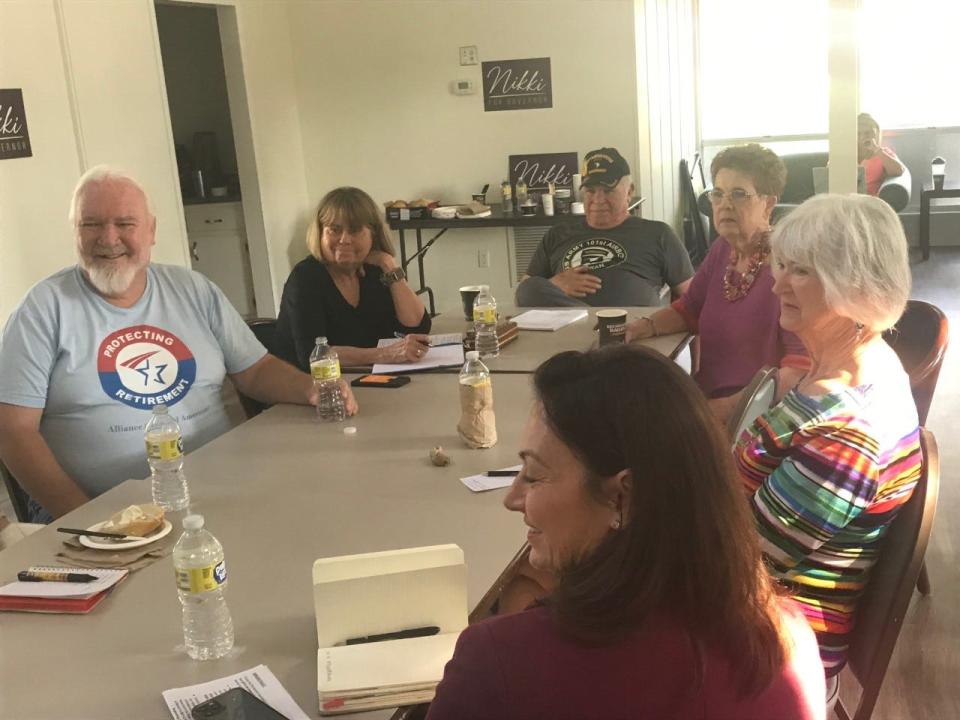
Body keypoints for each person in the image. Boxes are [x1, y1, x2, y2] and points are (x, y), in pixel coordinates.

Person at [428, 345, 826, 720]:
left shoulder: (497, 663)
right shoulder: (790, 639)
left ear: (624, 496)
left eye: (533, 475)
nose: (513, 498)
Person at [0, 166, 357, 523]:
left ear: (151, 231)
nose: (109, 238)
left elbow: (256, 370)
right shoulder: (41, 310)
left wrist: (310, 387)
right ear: (74, 231)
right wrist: (91, 522)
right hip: (99, 512)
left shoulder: (193, 289)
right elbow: (13, 430)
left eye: (125, 224)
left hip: (221, 492)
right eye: (91, 224)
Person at [735, 193, 921, 697]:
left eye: (799, 271)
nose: (776, 284)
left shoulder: (850, 435)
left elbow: (737, 564)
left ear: (855, 286)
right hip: (751, 616)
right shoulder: (845, 372)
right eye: (781, 265)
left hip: (767, 655)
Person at [626, 144, 809, 420]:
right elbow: (688, 310)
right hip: (705, 399)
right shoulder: (722, 250)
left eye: (739, 194)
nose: (725, 204)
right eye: (718, 194)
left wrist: (724, 412)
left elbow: (798, 369)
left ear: (768, 203)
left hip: (756, 417)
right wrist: (641, 328)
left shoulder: (788, 263)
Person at [274, 187, 431, 371]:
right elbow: (313, 355)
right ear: (320, 233)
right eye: (334, 230)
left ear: (373, 234)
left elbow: (417, 327)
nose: (344, 239)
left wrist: (388, 264)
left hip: (364, 380)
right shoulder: (305, 278)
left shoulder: (376, 271)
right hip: (309, 388)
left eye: (355, 230)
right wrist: (385, 354)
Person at [514, 147, 693, 308]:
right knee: (527, 288)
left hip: (632, 334)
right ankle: (593, 323)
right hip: (566, 333)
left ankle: (601, 324)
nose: (598, 200)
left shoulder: (658, 234)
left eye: (608, 191)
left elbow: (694, 298)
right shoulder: (557, 234)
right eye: (591, 191)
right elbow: (525, 295)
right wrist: (555, 284)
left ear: (629, 191)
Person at [858, 112, 906, 197]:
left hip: (871, 201)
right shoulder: (847, 153)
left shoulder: (883, 153)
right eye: (858, 134)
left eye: (868, 133)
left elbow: (899, 171)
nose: (863, 137)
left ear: (876, 134)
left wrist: (877, 150)